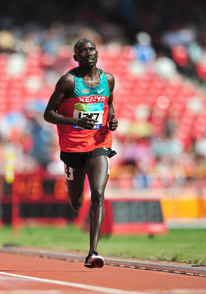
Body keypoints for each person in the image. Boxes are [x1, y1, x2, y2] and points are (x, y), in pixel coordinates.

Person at [43, 38, 118, 269]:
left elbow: (109, 105)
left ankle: (93, 252)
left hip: (99, 142)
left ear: (97, 52)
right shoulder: (68, 81)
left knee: (97, 193)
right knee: (76, 202)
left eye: (91, 49)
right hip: (73, 147)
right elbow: (48, 114)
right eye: (82, 51)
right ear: (76, 57)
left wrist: (112, 119)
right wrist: (75, 120)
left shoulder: (108, 80)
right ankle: (71, 180)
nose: (88, 53)